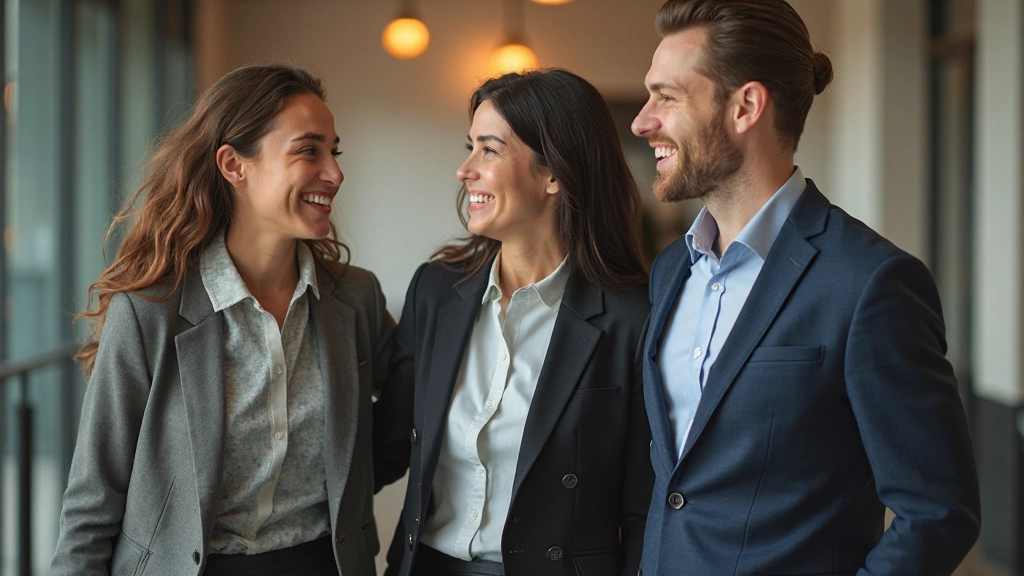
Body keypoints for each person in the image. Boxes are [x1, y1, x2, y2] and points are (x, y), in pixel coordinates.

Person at [631, 1, 981, 574]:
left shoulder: (870, 282)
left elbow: (938, 512)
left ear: (746, 106)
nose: (643, 121)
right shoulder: (672, 269)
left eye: (667, 97)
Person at [51, 64, 393, 576]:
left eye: (334, 152)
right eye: (308, 150)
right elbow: (93, 500)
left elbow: (410, 419)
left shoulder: (355, 298)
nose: (336, 173)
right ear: (235, 165)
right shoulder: (148, 313)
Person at [373, 69, 654, 576]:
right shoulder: (436, 292)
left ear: (555, 174)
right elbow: (387, 445)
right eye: (470, 146)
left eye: (489, 150)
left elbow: (643, 509)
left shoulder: (632, 318)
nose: (464, 170)